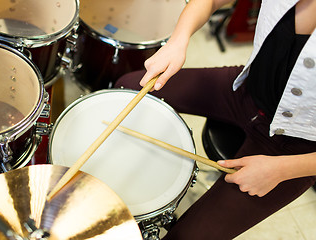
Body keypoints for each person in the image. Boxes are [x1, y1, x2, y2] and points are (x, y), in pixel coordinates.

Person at [113, 0, 316, 239]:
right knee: (125, 89)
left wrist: (281, 170)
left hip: (295, 148)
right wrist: (178, 40)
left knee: (185, 236)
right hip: (244, 91)